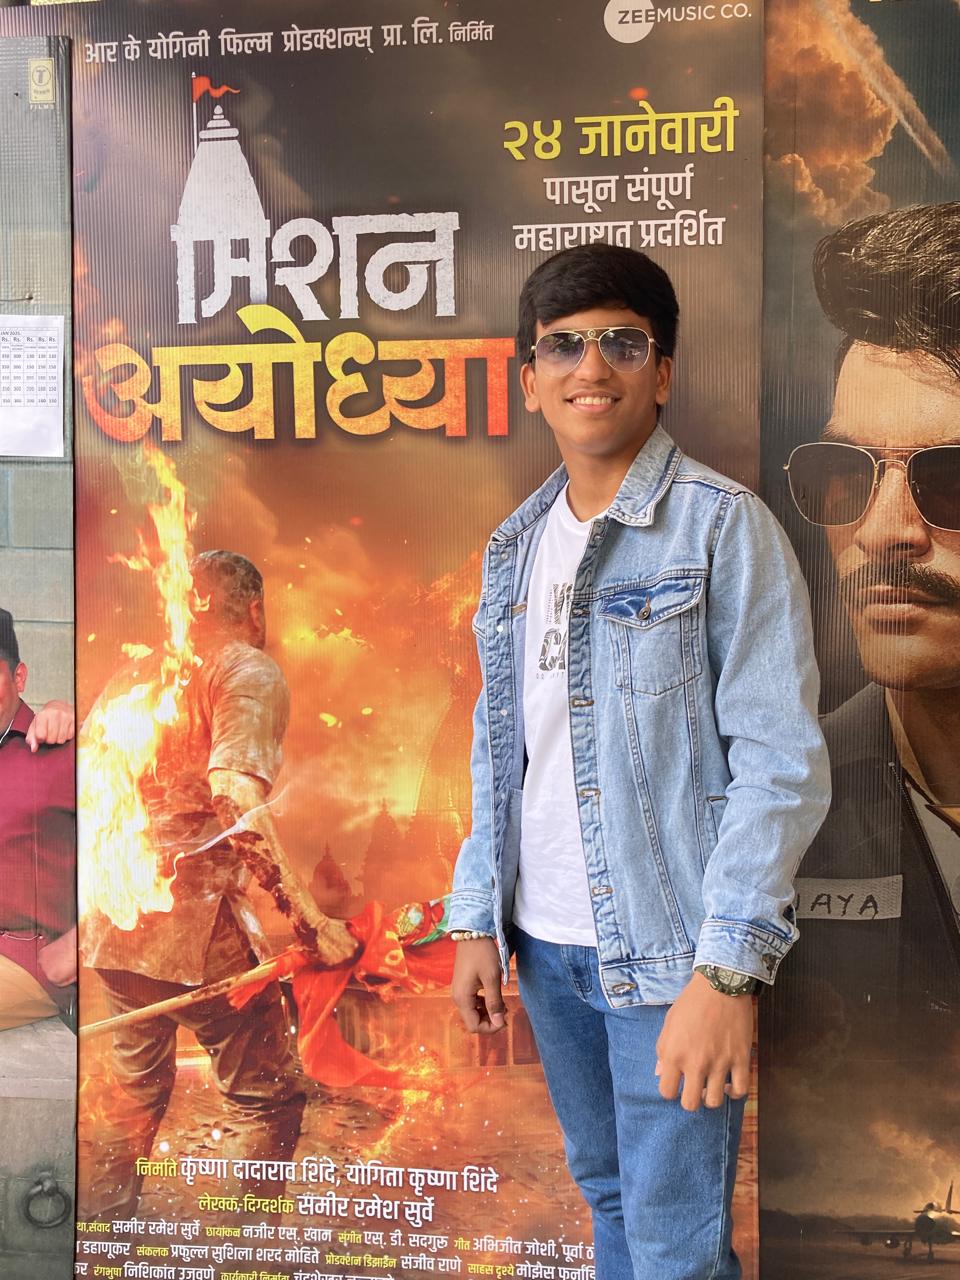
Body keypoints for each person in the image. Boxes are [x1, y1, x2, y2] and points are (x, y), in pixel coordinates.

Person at [448, 244, 831, 1280]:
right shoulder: (515, 546)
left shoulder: (723, 527)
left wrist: (726, 972)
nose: (592, 366)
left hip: (670, 959)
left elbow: (782, 765)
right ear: (531, 379)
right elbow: (501, 742)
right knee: (612, 1199)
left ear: (661, 373)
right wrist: (477, 916)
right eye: (563, 345)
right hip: (547, 947)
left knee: (675, 1245)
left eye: (622, 343)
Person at [80, 550, 356, 1218]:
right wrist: (310, 921)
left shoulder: (130, 678)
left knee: (131, 1098)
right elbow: (233, 792)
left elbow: (86, 800)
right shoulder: (245, 668)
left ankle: (105, 1241)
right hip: (200, 931)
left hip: (116, 925)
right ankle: (238, 1254)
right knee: (266, 1098)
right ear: (255, 611)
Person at [0, 607, 77, 1031]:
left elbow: (142, 858)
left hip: (27, 959)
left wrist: (80, 943)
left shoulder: (64, 750)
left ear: (19, 677)